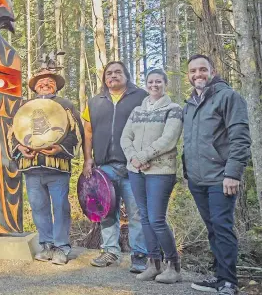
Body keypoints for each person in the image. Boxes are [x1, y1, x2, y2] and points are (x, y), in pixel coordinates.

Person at [183, 55, 251, 295]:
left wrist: (233, 173)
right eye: (193, 71)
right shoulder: (190, 103)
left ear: (212, 71)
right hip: (197, 179)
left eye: (203, 69)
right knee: (212, 228)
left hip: (221, 178)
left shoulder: (228, 97)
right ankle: (219, 277)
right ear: (188, 75)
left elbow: (240, 138)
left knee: (222, 227)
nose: (198, 74)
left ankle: (229, 282)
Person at [11, 68, 83, 265]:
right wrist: (19, 147)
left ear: (56, 85)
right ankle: (46, 245)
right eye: (40, 81)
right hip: (32, 167)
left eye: (49, 81)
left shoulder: (65, 105)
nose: (44, 83)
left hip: (57, 166)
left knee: (60, 207)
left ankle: (62, 247)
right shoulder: (24, 107)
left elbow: (76, 134)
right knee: (38, 207)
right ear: (34, 87)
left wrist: (60, 147)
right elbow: (13, 133)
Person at [82, 61, 148, 272]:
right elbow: (88, 132)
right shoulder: (94, 102)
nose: (113, 76)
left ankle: (140, 255)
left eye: (118, 72)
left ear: (126, 75)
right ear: (104, 78)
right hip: (104, 167)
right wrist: (87, 159)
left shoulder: (141, 97)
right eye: (109, 73)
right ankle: (110, 251)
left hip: (134, 165)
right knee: (106, 212)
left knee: (136, 211)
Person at [120, 68, 183, 283]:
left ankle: (173, 266)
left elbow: (169, 139)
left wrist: (144, 156)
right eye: (150, 81)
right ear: (146, 84)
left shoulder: (173, 109)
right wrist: (134, 158)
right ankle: (153, 263)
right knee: (144, 217)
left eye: (158, 81)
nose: (154, 85)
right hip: (136, 170)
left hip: (160, 171)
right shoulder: (137, 110)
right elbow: (125, 137)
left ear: (165, 83)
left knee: (157, 218)